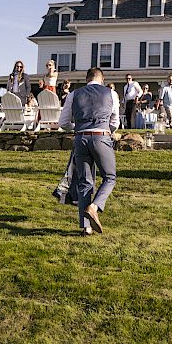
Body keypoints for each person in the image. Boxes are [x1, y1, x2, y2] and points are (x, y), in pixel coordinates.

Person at [58, 67, 119, 236]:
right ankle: (94, 207)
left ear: (87, 79)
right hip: (101, 136)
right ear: (102, 79)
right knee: (109, 177)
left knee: (85, 181)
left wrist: (77, 127)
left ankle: (87, 227)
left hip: (80, 138)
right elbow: (115, 122)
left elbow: (63, 122)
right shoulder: (110, 94)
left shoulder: (74, 94)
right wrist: (107, 130)